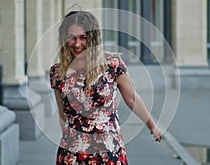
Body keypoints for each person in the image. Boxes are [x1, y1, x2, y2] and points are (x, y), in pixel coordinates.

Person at [50, 10, 162, 165]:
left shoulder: (112, 64)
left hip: (109, 151)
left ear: (93, 38)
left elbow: (132, 98)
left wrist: (152, 126)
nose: (77, 44)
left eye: (83, 37)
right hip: (72, 154)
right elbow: (63, 113)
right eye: (71, 38)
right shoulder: (57, 72)